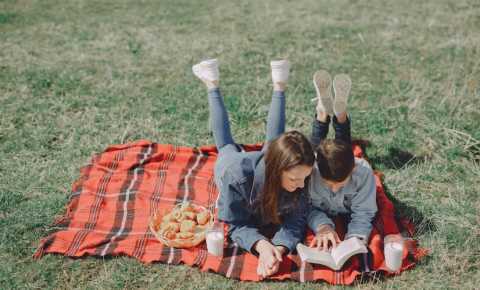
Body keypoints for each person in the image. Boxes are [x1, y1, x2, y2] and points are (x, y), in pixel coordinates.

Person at [192, 59, 315, 278]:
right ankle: (212, 83)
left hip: (270, 160)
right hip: (232, 164)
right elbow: (235, 224)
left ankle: (279, 85)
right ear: (277, 170)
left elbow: (297, 218)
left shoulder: (300, 172)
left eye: (305, 178)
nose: (302, 185)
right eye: (295, 180)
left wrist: (277, 248)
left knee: (274, 142)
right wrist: (261, 245)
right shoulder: (235, 176)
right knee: (226, 145)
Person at [307, 70, 403, 251]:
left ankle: (333, 112)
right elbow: (305, 207)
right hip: (317, 159)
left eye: (340, 183)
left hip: (345, 162)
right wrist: (323, 226)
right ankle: (326, 112)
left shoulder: (362, 172)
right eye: (329, 184)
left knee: (342, 150)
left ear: (352, 170)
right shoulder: (311, 171)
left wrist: (355, 238)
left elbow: (364, 212)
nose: (334, 189)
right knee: (315, 147)